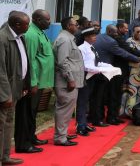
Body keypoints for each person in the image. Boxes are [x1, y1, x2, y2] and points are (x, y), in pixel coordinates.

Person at [17, 9, 54, 151]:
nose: (50, 22)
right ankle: (24, 144)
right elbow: (30, 61)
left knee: (32, 112)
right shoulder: (31, 34)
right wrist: (32, 83)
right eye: (48, 19)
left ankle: (31, 137)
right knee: (26, 113)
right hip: (34, 82)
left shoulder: (40, 32)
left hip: (40, 81)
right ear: (38, 20)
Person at [94, 24, 140, 125]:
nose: (116, 34)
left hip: (104, 71)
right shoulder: (112, 41)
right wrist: (139, 59)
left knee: (106, 95)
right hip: (111, 71)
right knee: (112, 95)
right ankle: (109, 118)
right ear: (109, 32)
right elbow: (124, 53)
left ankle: (109, 116)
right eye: (115, 33)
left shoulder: (101, 37)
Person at [0, 11, 30, 165]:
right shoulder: (3, 38)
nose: (29, 26)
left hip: (16, 89)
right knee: (1, 125)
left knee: (8, 124)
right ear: (17, 24)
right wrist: (5, 95)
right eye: (27, 23)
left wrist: (25, 84)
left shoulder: (20, 37)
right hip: (5, 92)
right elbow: (1, 71)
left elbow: (22, 63)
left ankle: (5, 157)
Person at [52, 17, 85, 146]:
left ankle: (62, 134)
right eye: (75, 24)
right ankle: (60, 138)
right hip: (66, 82)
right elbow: (62, 62)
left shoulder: (68, 38)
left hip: (69, 80)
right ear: (68, 26)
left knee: (66, 109)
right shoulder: (65, 40)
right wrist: (70, 79)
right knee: (64, 109)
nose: (77, 26)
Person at [76, 27, 102, 136]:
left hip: (92, 76)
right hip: (85, 76)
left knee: (86, 100)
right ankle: (80, 126)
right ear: (86, 37)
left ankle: (84, 122)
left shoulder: (92, 47)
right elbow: (83, 65)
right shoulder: (82, 48)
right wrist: (97, 69)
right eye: (93, 35)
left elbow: (94, 62)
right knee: (82, 101)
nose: (95, 37)